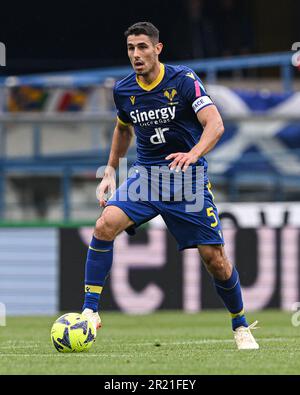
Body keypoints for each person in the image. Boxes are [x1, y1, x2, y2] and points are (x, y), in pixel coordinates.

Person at [82, 21, 258, 350]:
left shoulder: (183, 80)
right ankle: (89, 312)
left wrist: (193, 154)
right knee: (104, 225)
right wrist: (110, 170)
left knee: (214, 259)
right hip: (146, 177)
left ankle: (241, 325)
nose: (136, 54)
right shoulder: (124, 90)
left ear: (157, 49)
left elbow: (215, 124)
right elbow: (123, 129)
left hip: (186, 179)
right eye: (131, 49)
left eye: (143, 47)